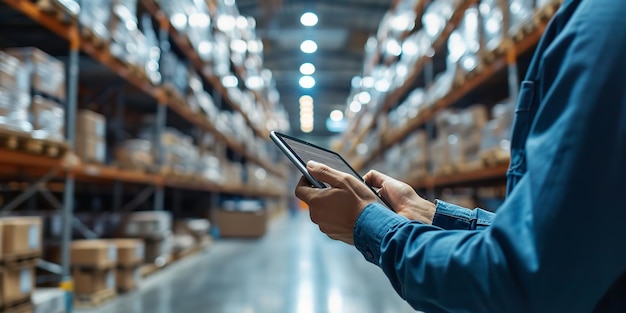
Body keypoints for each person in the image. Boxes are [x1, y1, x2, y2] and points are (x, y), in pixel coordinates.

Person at [294, 0, 626, 312]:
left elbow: (519, 280)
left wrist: (366, 223)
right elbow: (553, 241)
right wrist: (427, 212)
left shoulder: (603, 25)